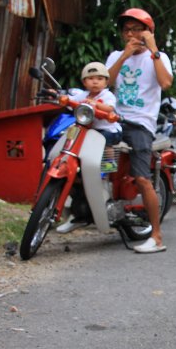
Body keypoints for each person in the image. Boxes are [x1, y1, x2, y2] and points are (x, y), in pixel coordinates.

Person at [105, 8, 173, 253]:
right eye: (127, 30)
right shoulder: (115, 56)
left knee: (142, 178)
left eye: (137, 29)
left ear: (148, 32)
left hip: (141, 123)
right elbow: (106, 83)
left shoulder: (158, 57)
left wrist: (153, 49)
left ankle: (156, 235)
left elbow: (165, 83)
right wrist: (124, 56)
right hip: (113, 118)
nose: (131, 34)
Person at [56, 62, 121, 234]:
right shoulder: (82, 94)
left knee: (106, 142)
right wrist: (63, 98)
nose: (95, 82)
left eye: (99, 79)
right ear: (84, 82)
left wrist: (96, 105)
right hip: (86, 132)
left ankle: (108, 167)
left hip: (107, 130)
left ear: (106, 82)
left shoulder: (107, 95)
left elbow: (109, 108)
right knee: (71, 142)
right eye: (90, 79)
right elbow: (71, 101)